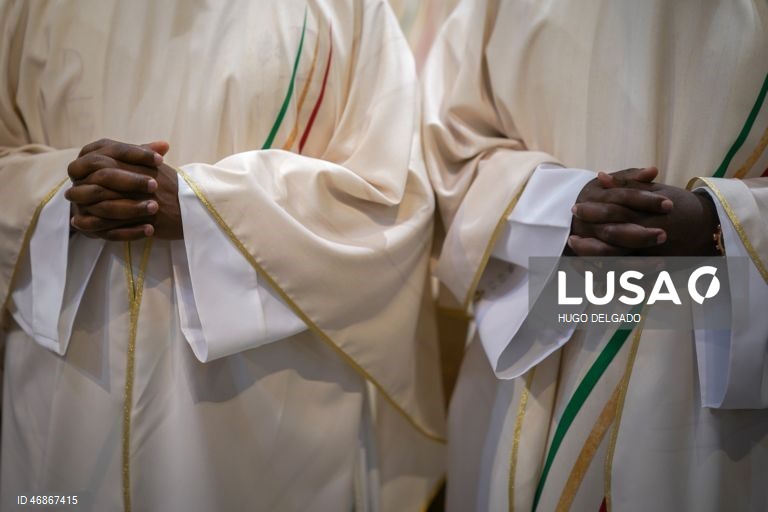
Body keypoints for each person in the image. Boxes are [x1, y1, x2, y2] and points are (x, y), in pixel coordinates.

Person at [0, 1, 445, 510]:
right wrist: (66, 192)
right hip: (65, 382)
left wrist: (204, 208)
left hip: (261, 403)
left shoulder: (346, 11)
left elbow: (389, 206)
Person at [422, 0, 768, 510]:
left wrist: (723, 221)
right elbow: (451, 146)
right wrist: (557, 206)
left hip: (709, 345)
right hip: (540, 334)